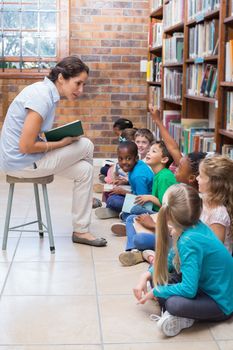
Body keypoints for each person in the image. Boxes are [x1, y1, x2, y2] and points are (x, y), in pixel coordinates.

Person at [0, 55, 107, 247]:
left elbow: (31, 139)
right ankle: (88, 199)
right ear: (61, 78)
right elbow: (25, 146)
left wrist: (57, 141)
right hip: (22, 162)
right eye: (78, 83)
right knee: (86, 145)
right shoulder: (42, 97)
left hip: (24, 159)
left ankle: (81, 230)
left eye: (84, 85)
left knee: (85, 171)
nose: (81, 90)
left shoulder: (45, 92)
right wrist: (62, 142)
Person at [133, 183, 233, 337]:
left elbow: (188, 289)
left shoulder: (189, 240)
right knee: (158, 278)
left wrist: (157, 290)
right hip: (203, 285)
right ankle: (182, 314)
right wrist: (146, 275)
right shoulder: (193, 226)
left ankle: (183, 317)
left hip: (220, 302)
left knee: (172, 303)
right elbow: (171, 257)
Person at [117, 141, 176, 266]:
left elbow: (168, 207)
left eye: (153, 151)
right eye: (150, 151)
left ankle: (141, 248)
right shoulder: (158, 175)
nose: (148, 153)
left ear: (164, 159)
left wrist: (150, 198)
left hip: (165, 221)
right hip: (156, 217)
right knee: (131, 219)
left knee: (136, 213)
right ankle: (133, 251)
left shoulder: (165, 177)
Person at [95, 141, 154, 219]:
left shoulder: (138, 176)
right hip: (136, 195)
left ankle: (120, 213)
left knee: (113, 201)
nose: (124, 162)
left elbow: (142, 199)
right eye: (120, 159)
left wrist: (123, 192)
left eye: (128, 158)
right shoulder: (136, 165)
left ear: (136, 158)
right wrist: (125, 181)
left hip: (146, 205)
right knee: (110, 193)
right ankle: (120, 211)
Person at [197, 155, 233, 253]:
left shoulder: (218, 215)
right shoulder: (200, 198)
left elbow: (214, 253)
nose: (197, 178)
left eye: (200, 176)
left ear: (214, 183)